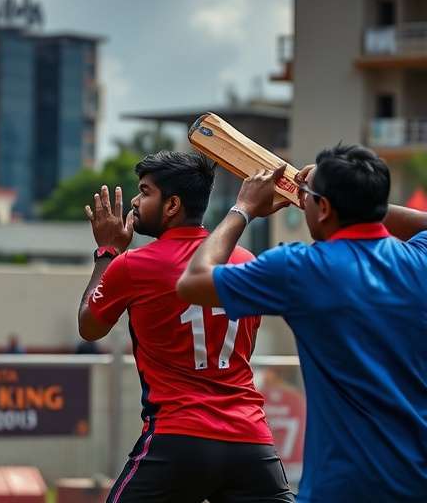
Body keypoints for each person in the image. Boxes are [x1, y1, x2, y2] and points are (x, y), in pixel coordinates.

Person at [177, 144, 427, 502]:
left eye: (308, 198)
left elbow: (193, 282)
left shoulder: (301, 269)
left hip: (344, 488)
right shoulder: (420, 259)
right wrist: (357, 201)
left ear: (323, 208)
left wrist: (242, 209)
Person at [78, 151, 293, 503]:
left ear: (172, 205)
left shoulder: (133, 266)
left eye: (145, 192)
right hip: (249, 440)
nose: (134, 200)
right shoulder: (246, 262)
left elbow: (89, 326)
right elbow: (244, 349)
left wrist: (107, 252)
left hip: (177, 439)